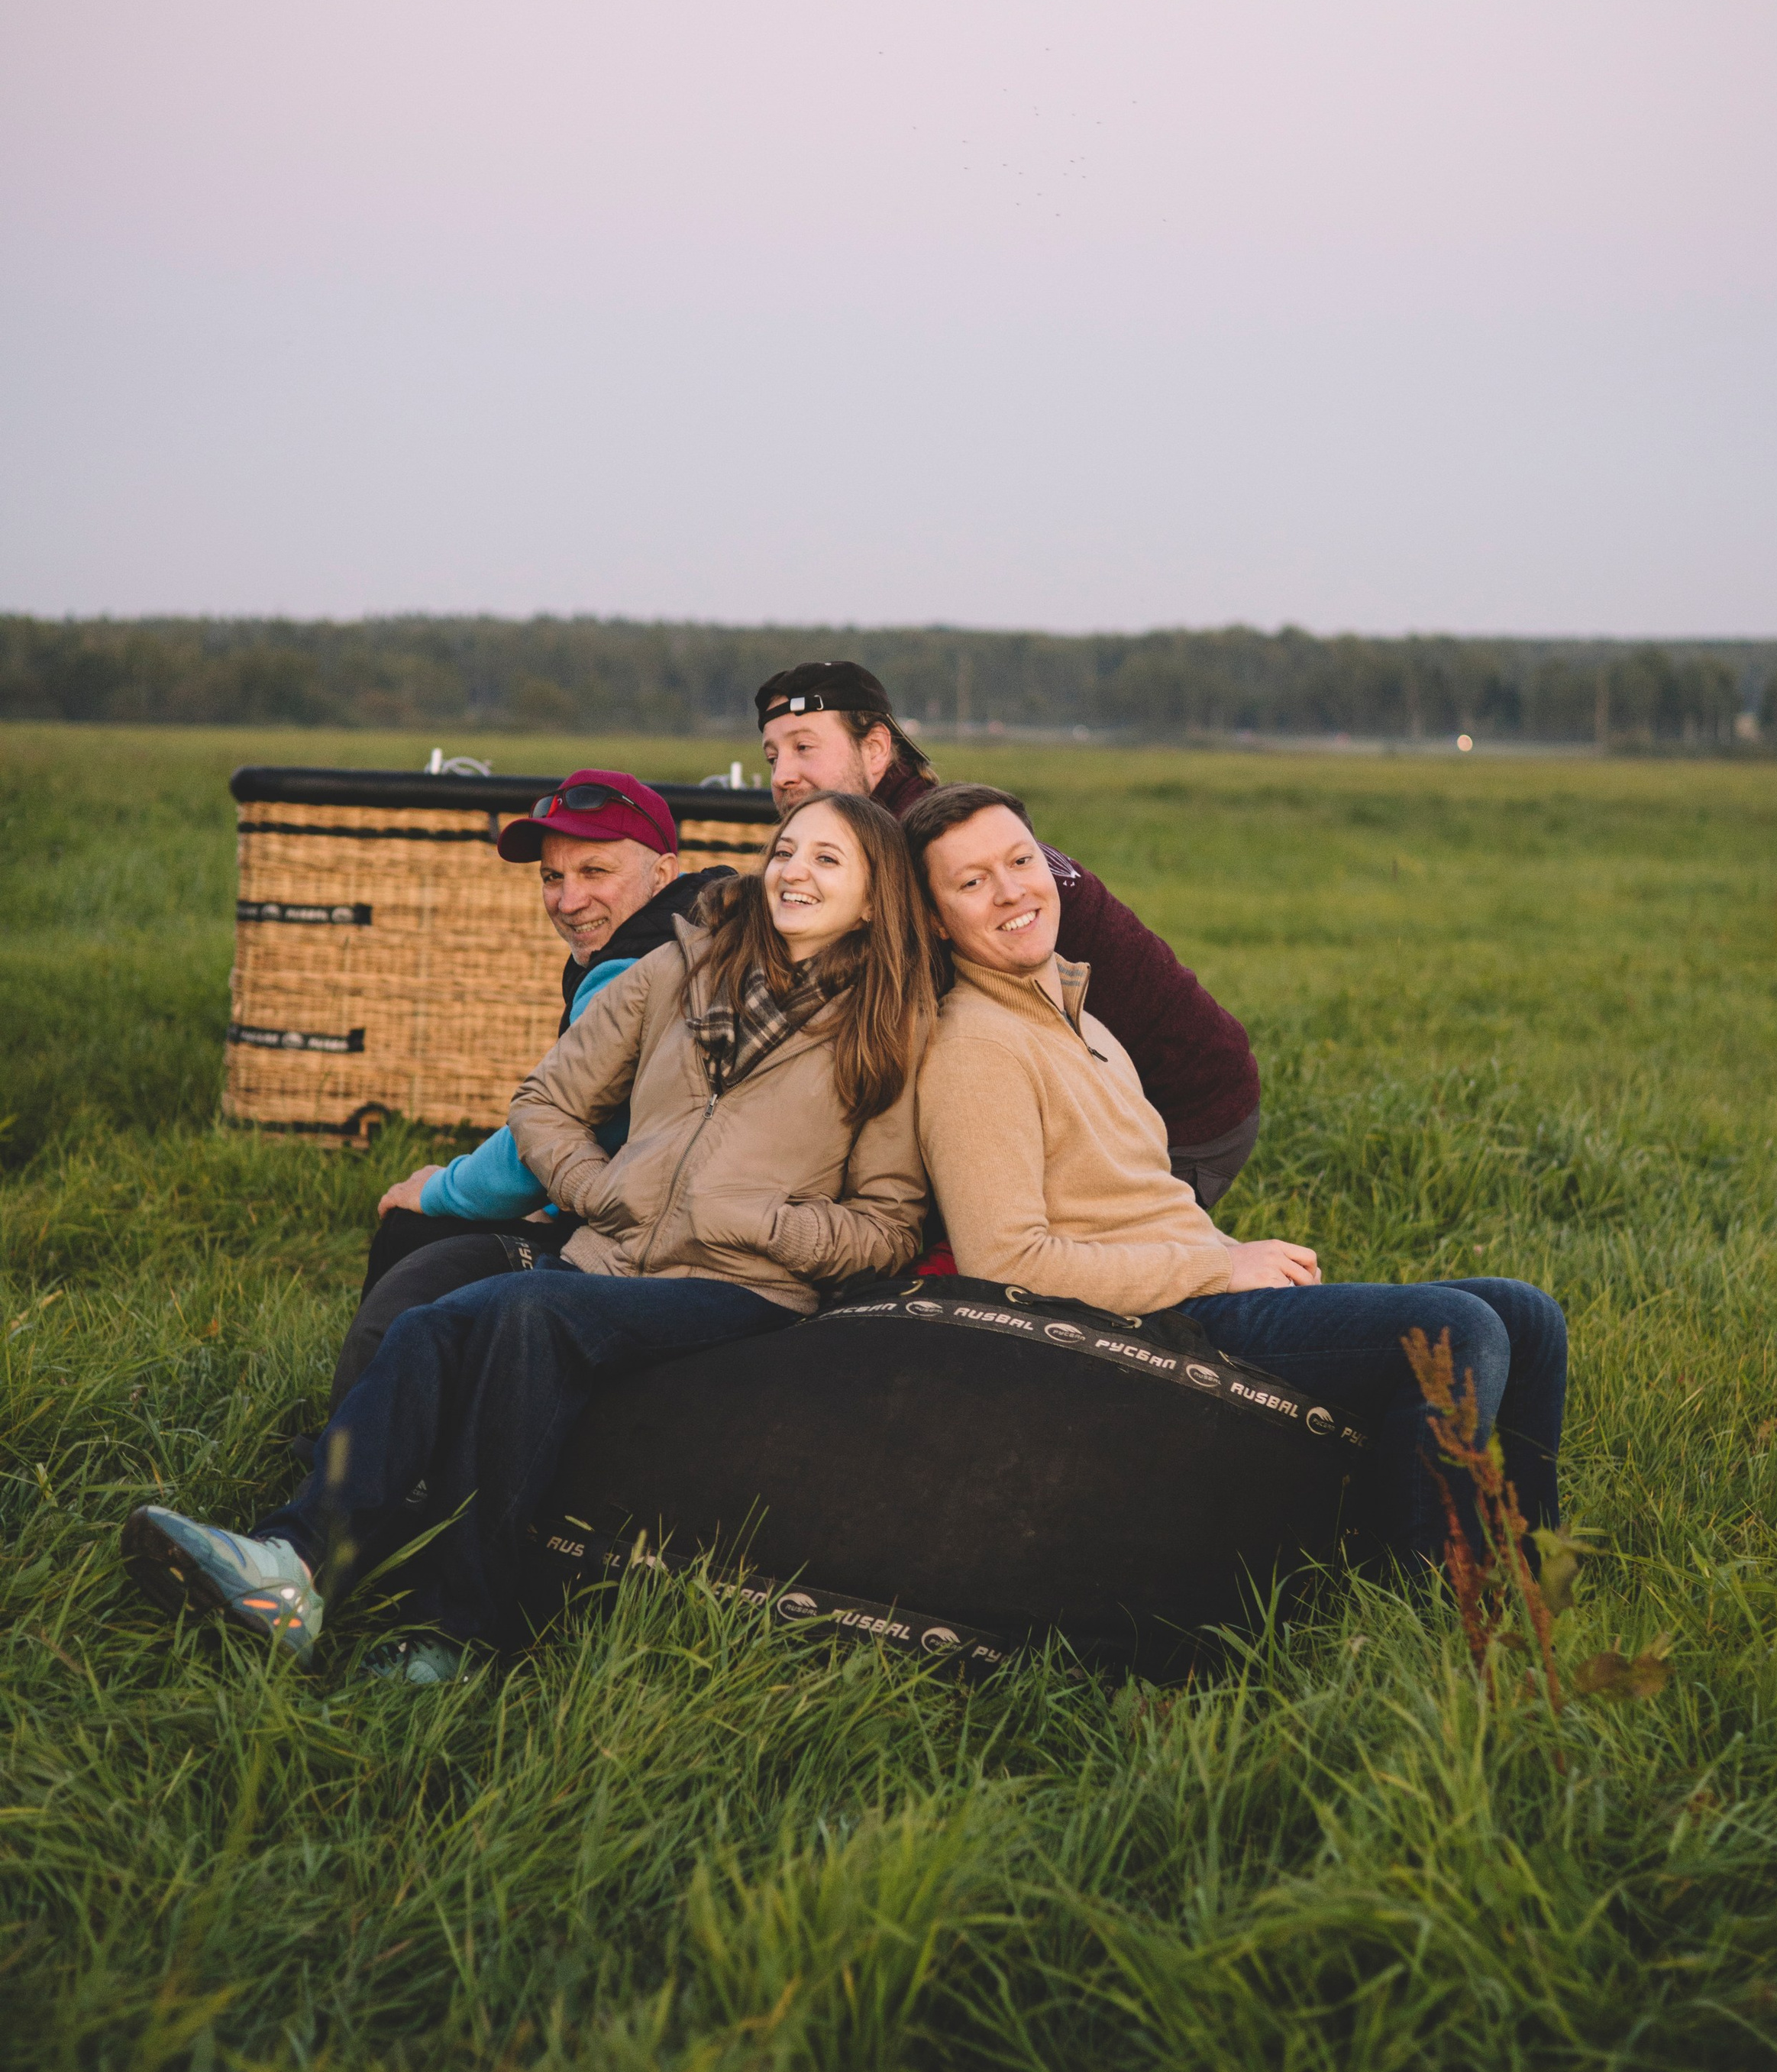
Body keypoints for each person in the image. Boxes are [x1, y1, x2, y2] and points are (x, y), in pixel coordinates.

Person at [122, 793, 935, 1679]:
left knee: (525, 1311)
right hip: (613, 1256)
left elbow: (889, 1226)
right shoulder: (682, 966)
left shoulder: (887, 1021)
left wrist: (762, 1224)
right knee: (430, 1321)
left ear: (875, 893)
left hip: (744, 1286)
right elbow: (546, 1102)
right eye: (787, 852)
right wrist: (599, 1187)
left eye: (828, 860)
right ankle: (293, 1563)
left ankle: (454, 1632)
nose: (794, 873)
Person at [905, 784, 1567, 1582]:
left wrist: (1236, 1253)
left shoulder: (1083, 1019)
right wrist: (1219, 1268)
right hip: (1156, 1323)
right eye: (972, 882)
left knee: (1525, 1316)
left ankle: (1531, 1567)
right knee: (1456, 1329)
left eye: (1020, 861)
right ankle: (1424, 1595)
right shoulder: (976, 1049)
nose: (1011, 889)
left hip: (1203, 1285)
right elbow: (1004, 1266)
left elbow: (1141, 1197)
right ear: (937, 920)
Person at [754, 660, 1262, 1209]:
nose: (783, 774)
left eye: (804, 748)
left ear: (876, 750)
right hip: (1102, 1090)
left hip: (1183, 1114)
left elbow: (889, 1038)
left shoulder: (916, 854)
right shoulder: (924, 827)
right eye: (773, 756)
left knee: (1020, 1256)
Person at [328, 770, 730, 1407]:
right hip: (680, 1207)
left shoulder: (632, 967)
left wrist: (436, 1188)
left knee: (412, 1235)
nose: (568, 901)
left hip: (651, 1235)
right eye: (552, 877)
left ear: (663, 874)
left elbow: (540, 1142)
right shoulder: (700, 929)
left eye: (595, 872)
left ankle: (351, 1448)